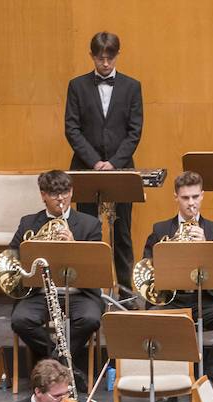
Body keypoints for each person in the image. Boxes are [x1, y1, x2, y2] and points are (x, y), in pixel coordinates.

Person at [141, 171, 213, 398]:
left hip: (205, 298)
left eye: (195, 197)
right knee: (152, 322)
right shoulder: (160, 230)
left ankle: (211, 377)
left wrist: (204, 246)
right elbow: (146, 268)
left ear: (202, 196)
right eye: (185, 198)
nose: (191, 203)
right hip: (172, 298)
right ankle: (167, 383)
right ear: (176, 197)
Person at [64, 31, 143, 292]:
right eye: (100, 58)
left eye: (109, 58)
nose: (105, 63)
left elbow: (135, 131)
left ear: (117, 55)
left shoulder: (132, 86)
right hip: (86, 170)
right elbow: (71, 129)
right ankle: (88, 290)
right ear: (92, 56)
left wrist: (114, 163)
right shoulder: (77, 85)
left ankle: (126, 290)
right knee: (86, 230)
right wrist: (95, 162)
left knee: (122, 232)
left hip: (121, 170)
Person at [7, 170, 105, 380]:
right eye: (54, 194)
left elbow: (95, 266)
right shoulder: (28, 223)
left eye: (65, 192)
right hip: (39, 293)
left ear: (72, 191)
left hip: (79, 293)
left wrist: (73, 247)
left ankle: (52, 365)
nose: (61, 198)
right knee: (20, 320)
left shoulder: (90, 224)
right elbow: (12, 260)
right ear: (43, 195)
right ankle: (65, 366)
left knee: (90, 319)